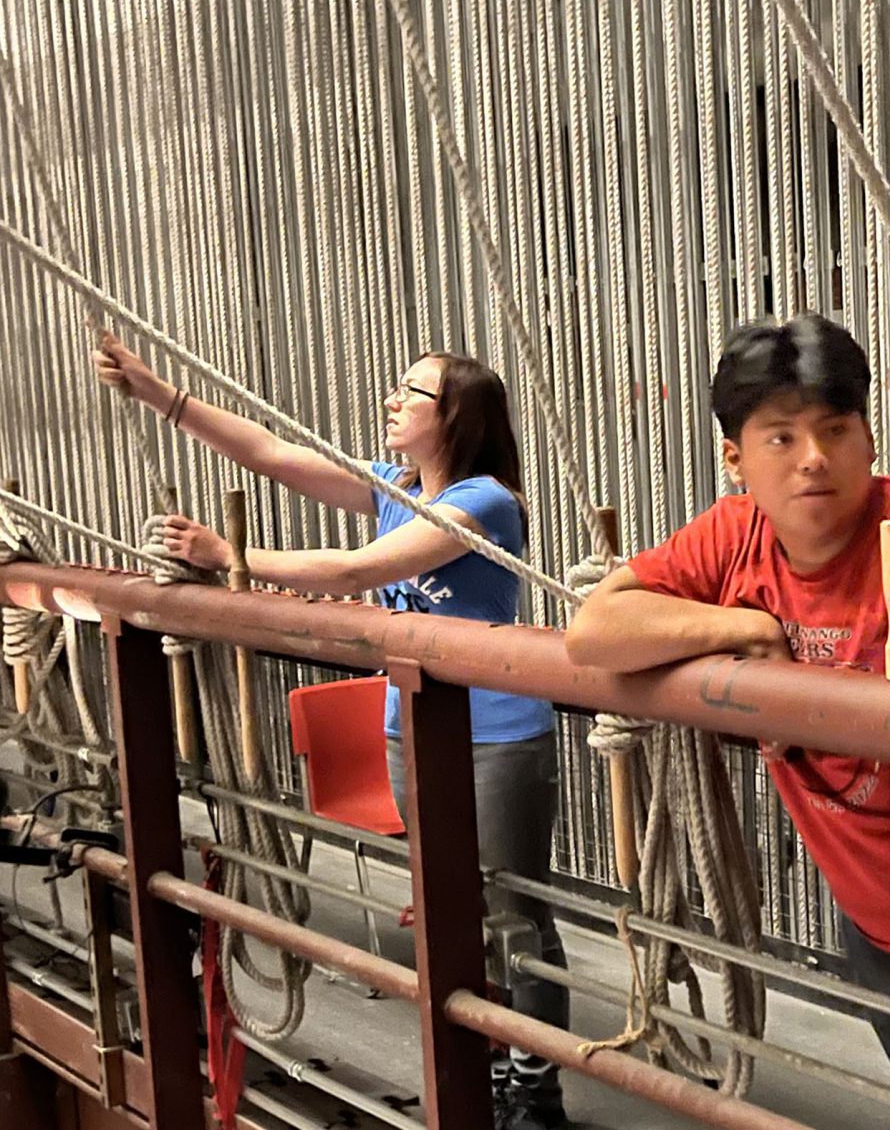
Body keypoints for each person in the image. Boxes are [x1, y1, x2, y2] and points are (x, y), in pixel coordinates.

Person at [565, 313, 890, 1128]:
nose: (813, 457)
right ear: (735, 460)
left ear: (868, 439)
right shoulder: (732, 538)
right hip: (875, 920)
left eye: (834, 429)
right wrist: (740, 627)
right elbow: (594, 631)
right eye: (780, 438)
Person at [95, 335, 572, 1130]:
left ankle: (536, 1088)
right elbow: (273, 452)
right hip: (409, 726)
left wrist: (232, 555)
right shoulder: (396, 485)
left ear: (455, 415)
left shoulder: (485, 501)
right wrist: (157, 394)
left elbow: (360, 572)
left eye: (411, 392)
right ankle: (480, 1060)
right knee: (449, 908)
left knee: (515, 917)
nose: (392, 400)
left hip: (496, 737)